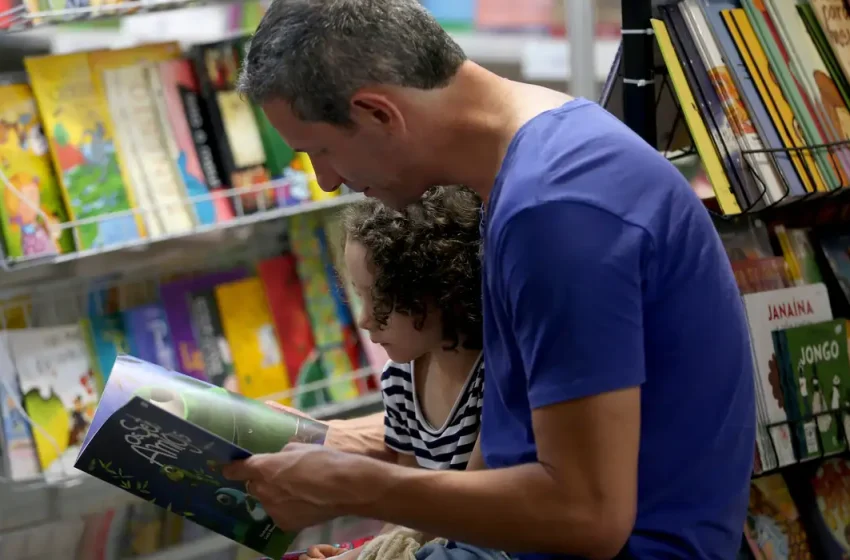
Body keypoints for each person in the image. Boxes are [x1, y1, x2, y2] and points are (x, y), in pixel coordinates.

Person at [224, 1, 757, 558]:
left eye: (321, 152)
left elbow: (588, 517)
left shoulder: (556, 210)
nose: (329, 182)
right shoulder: (537, 157)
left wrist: (353, 487)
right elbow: (515, 437)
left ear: (379, 114)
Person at [302, 186, 487, 560]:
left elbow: (463, 516)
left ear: (440, 292)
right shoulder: (400, 378)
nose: (365, 319)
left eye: (382, 300)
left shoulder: (492, 381)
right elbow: (410, 505)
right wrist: (365, 551)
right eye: (359, 295)